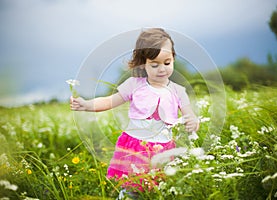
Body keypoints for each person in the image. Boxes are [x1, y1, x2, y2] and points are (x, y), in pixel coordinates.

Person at [70, 28, 199, 197]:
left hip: (164, 148)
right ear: (143, 64)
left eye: (167, 63)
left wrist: (193, 121)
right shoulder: (134, 84)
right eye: (154, 64)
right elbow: (109, 101)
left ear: (173, 58)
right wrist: (87, 105)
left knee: (160, 190)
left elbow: (189, 114)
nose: (162, 69)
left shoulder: (178, 91)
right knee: (133, 189)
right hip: (136, 147)